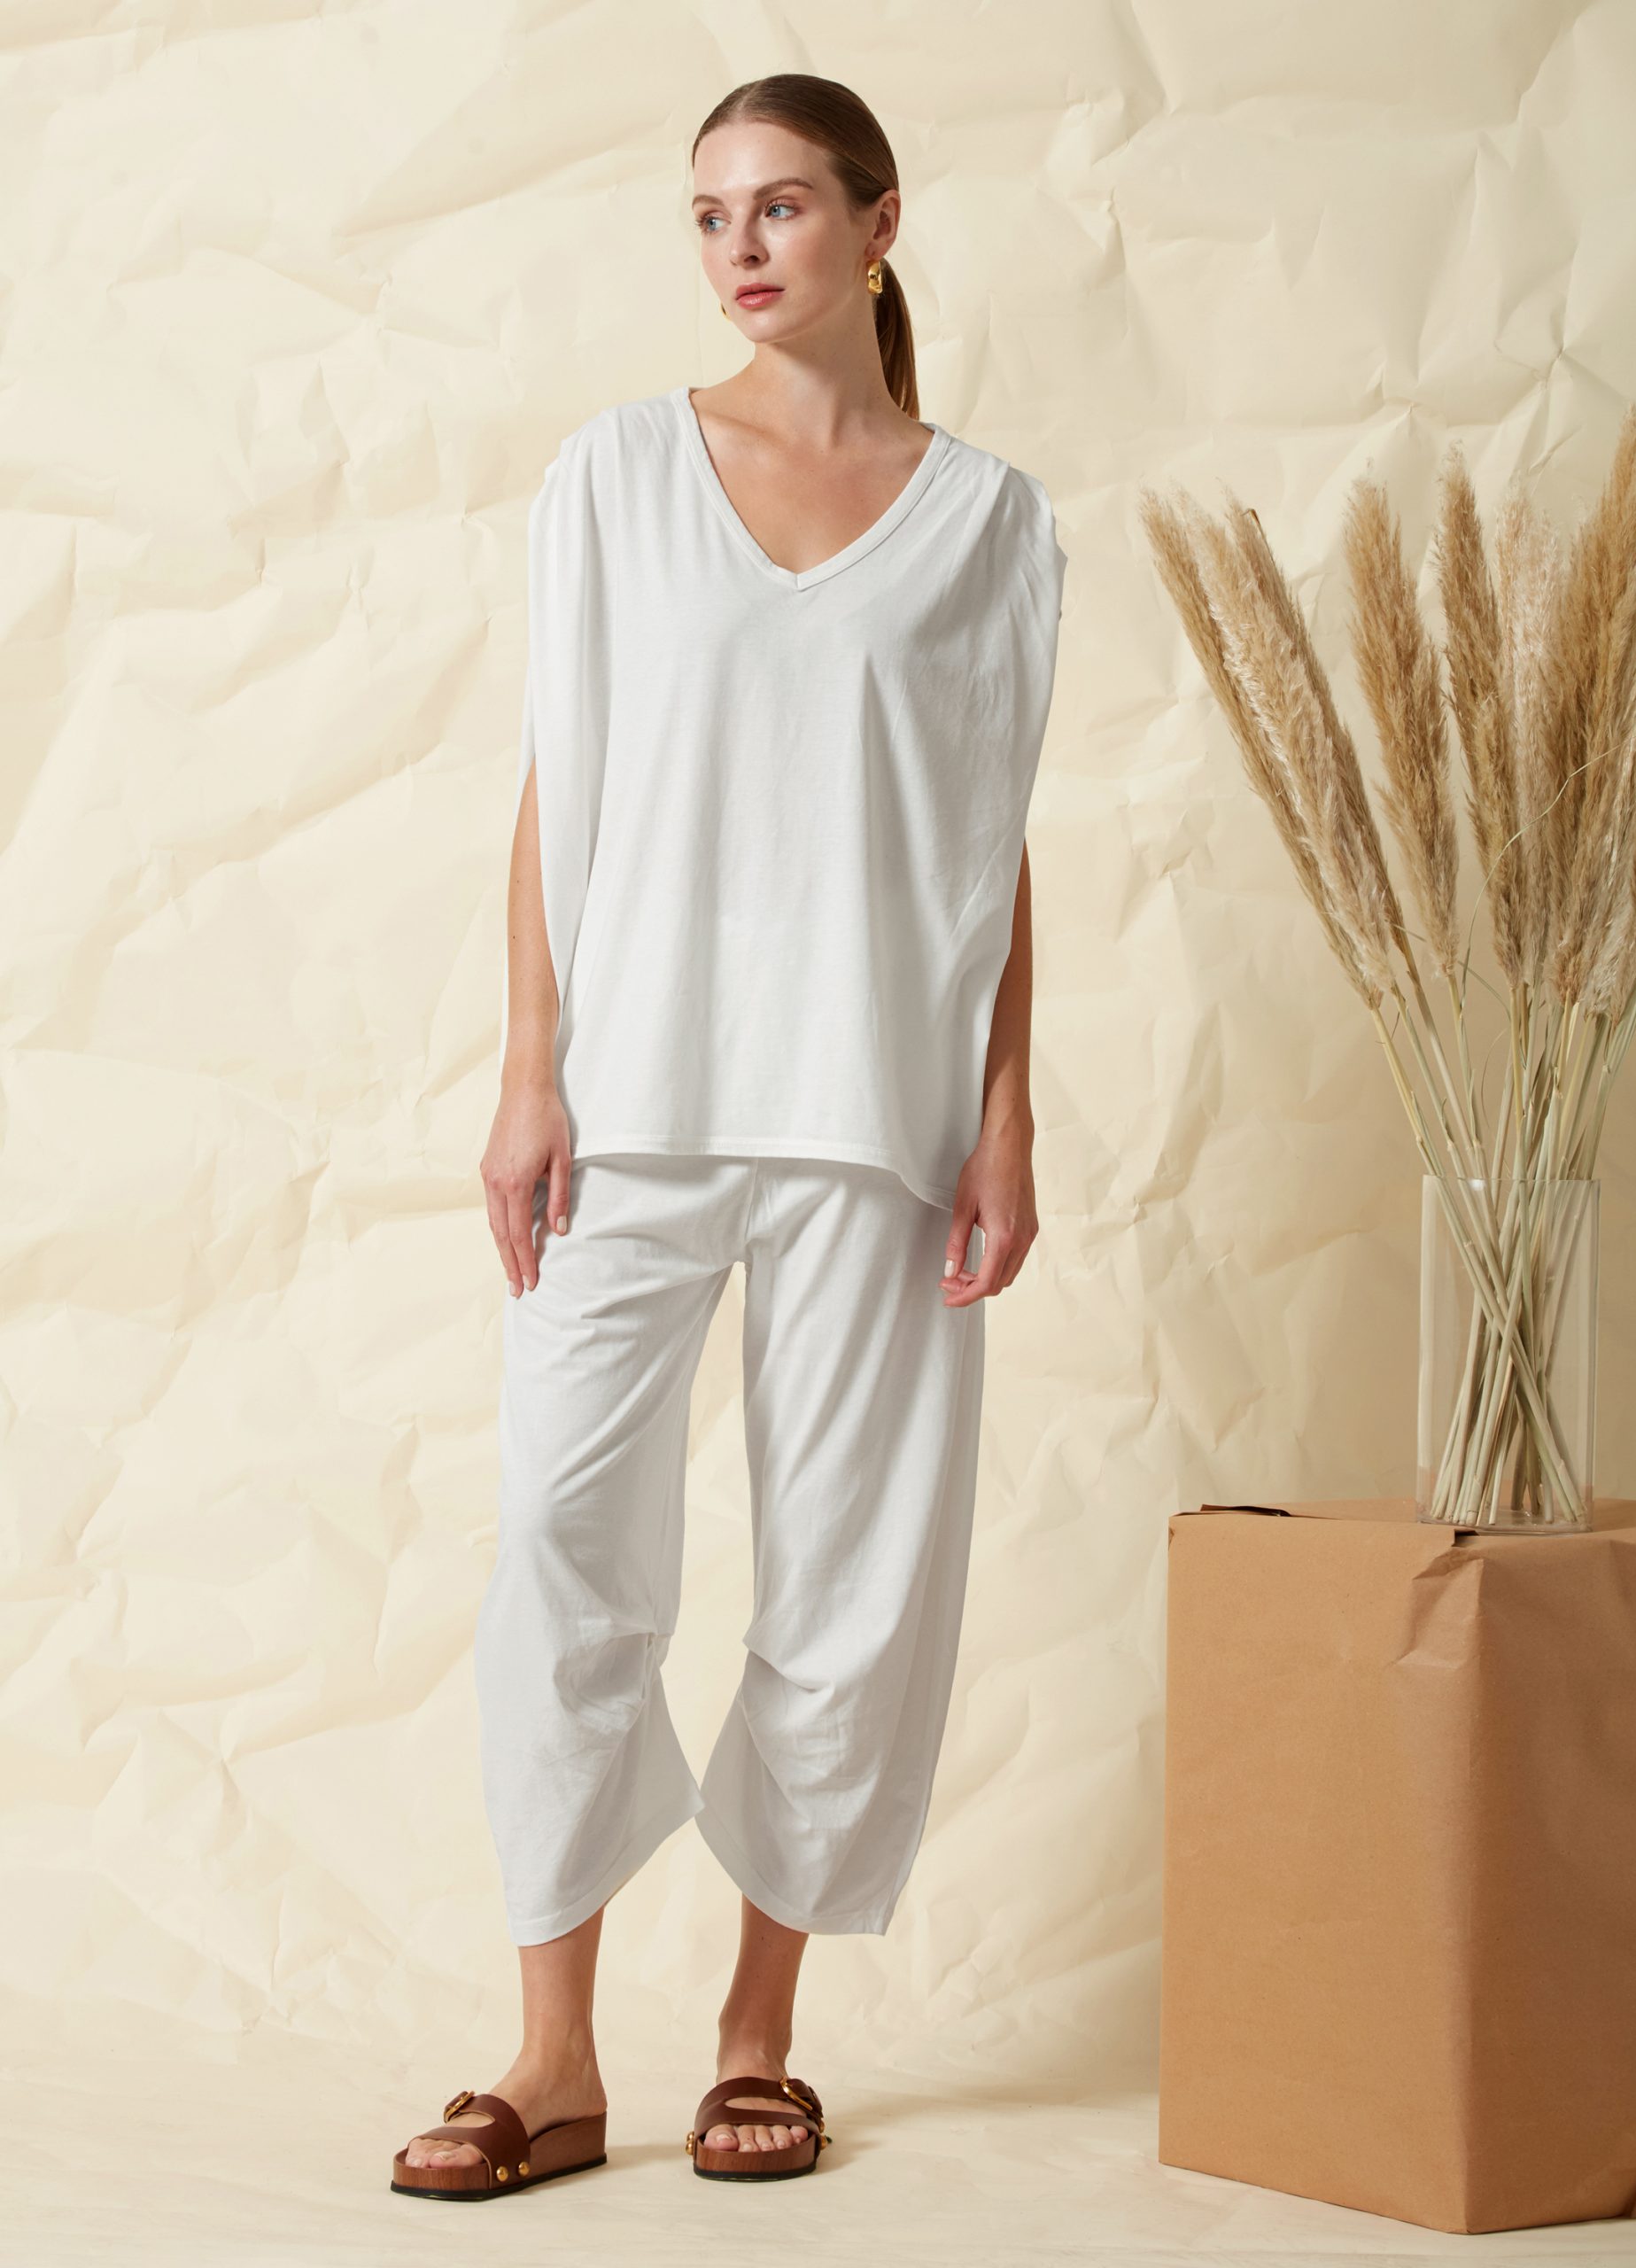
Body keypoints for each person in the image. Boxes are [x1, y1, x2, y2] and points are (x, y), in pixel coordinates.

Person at [390, 71, 1066, 2202]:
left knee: (853, 1573)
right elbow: (558, 783)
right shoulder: (614, 475)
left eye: (778, 206)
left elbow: (988, 842)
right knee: (563, 1545)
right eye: (707, 214)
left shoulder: (990, 522)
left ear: (878, 222)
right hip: (636, 1100)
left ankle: (760, 2032)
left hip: (879, 1108)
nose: (740, 247)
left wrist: (1004, 1114)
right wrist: (530, 1069)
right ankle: (551, 2049)